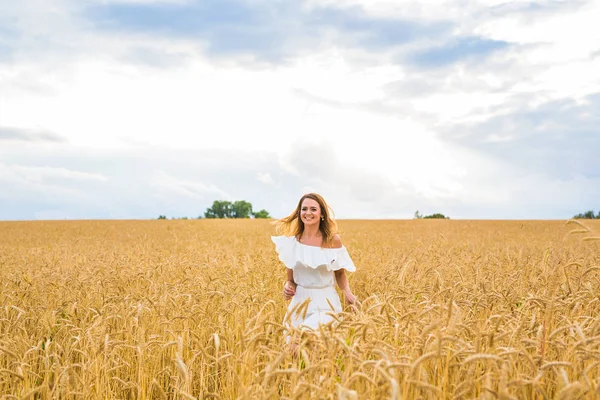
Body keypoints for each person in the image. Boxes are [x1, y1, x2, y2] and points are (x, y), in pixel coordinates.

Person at [271, 193, 357, 342]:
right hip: (299, 302)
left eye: (313, 209)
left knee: (303, 339)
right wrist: (288, 287)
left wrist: (348, 293)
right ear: (299, 213)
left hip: (325, 301)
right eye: (304, 209)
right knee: (293, 350)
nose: (308, 213)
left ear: (322, 213)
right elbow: (290, 279)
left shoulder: (332, 241)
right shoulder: (292, 243)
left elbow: (340, 273)